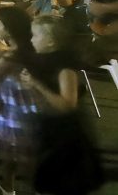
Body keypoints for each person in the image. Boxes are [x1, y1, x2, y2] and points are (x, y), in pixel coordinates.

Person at [27, 16, 103, 195]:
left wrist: (36, 84)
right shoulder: (46, 60)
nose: (31, 39)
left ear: (51, 41)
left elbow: (67, 105)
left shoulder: (64, 68)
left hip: (64, 137)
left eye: (35, 35)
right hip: (50, 131)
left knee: (59, 184)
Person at [0, 6, 37, 195]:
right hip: (20, 107)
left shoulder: (11, 55)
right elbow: (1, 80)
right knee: (24, 152)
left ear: (8, 28)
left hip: (14, 111)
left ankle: (7, 187)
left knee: (12, 152)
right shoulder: (30, 49)